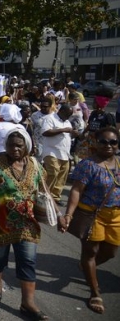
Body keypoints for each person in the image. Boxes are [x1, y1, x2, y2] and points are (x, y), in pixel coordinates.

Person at [0, 129, 60, 321]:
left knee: (28, 261)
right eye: (10, 145)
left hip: (27, 224)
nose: (14, 149)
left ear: (27, 147)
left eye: (19, 145)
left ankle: (27, 302)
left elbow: (45, 191)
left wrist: (59, 214)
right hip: (0, 223)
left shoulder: (35, 166)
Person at [61, 126, 120, 315]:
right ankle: (95, 292)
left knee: (110, 252)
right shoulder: (87, 165)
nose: (108, 146)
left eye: (113, 142)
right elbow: (76, 190)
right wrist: (68, 215)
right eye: (103, 141)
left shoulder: (119, 163)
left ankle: (86, 266)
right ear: (95, 142)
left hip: (116, 216)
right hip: (92, 215)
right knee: (91, 252)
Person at [40, 104, 78, 206]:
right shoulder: (50, 118)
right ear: (61, 111)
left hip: (64, 153)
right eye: (67, 114)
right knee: (53, 172)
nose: (68, 117)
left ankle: (55, 197)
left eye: (70, 115)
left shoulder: (67, 122)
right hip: (51, 151)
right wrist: (63, 130)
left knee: (62, 176)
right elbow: (45, 132)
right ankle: (43, 194)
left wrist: (73, 133)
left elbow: (68, 136)